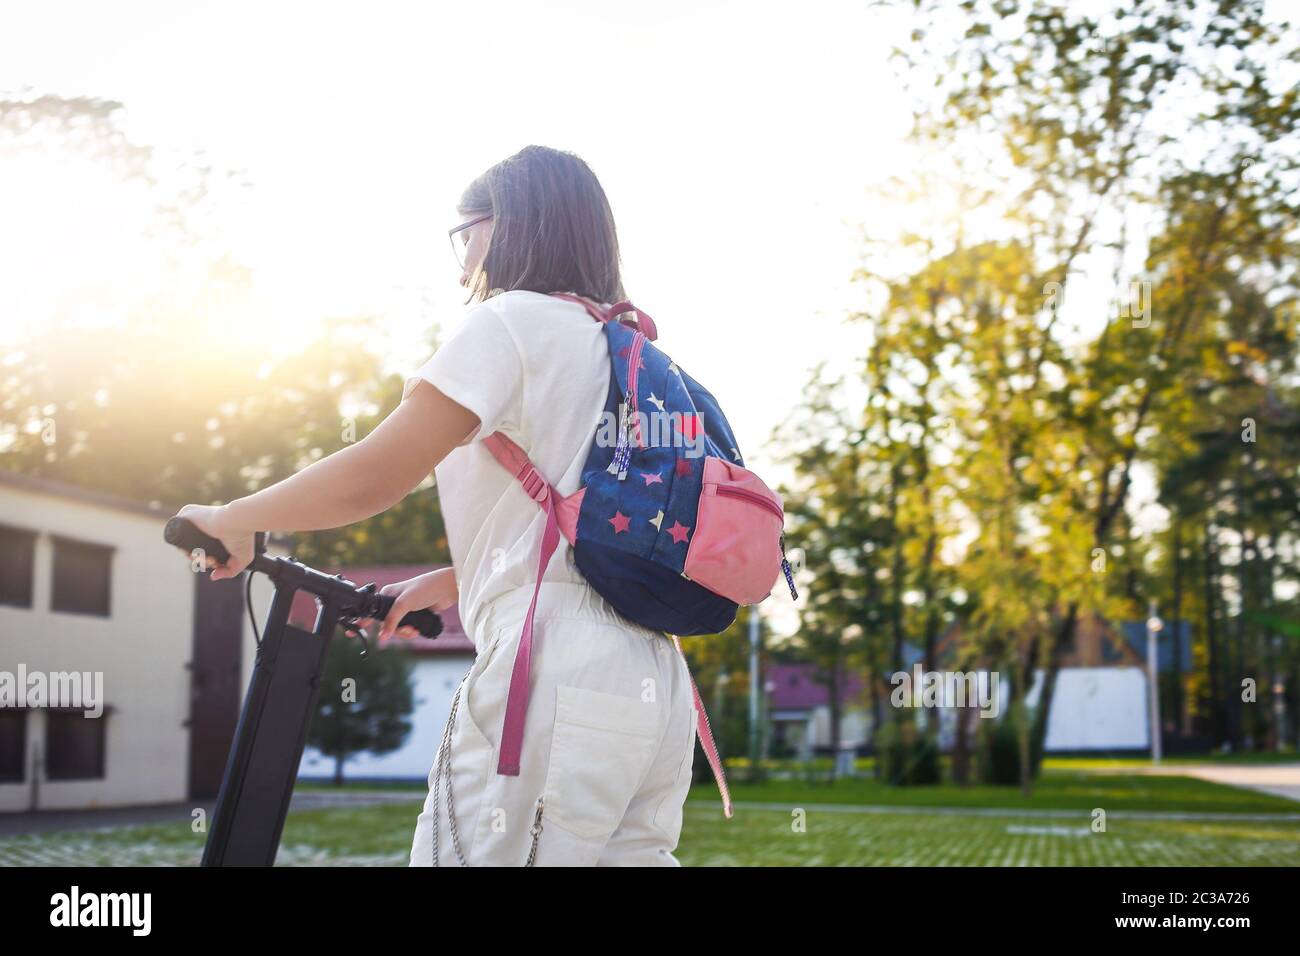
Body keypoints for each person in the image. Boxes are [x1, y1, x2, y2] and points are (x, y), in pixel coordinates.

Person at [175, 145, 698, 866]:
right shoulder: (632, 351)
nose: (462, 259)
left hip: (549, 673)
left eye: (467, 231)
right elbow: (591, 522)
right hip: (653, 683)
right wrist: (457, 579)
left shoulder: (510, 322)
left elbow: (374, 475)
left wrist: (232, 518)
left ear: (507, 227)